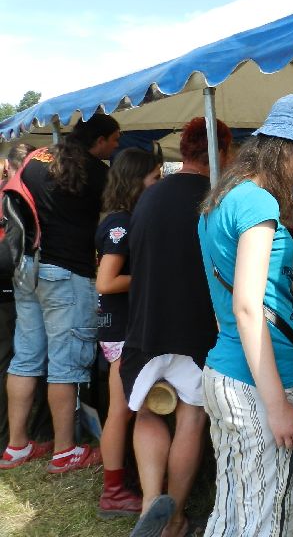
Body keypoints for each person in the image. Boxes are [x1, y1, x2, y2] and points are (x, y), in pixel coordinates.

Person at [198, 93, 293, 537]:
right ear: (286, 144)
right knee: (269, 519)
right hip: (260, 383)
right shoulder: (259, 203)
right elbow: (246, 306)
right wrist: (277, 406)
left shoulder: (222, 199)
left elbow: (232, 304)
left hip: (228, 372)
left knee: (233, 509)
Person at [121, 117, 232, 537]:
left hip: (146, 325)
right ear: (221, 151)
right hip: (196, 328)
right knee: (191, 418)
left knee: (146, 411)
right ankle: (175, 519)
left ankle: (152, 503)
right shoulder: (216, 200)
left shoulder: (149, 196)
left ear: (183, 151)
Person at [1, 114, 120, 473]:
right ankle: (65, 450)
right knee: (65, 364)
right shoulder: (98, 173)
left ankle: (16, 445)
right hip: (67, 273)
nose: (115, 146)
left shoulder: (37, 158)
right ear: (99, 141)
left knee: (25, 358)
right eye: (114, 140)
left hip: (26, 267)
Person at [94, 147, 162, 518]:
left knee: (123, 410)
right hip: (121, 330)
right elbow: (106, 281)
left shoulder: (121, 218)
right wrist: (150, 277)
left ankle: (120, 484)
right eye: (154, 179)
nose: (158, 185)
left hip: (118, 328)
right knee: (122, 410)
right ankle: (114, 491)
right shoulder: (120, 223)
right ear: (136, 181)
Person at [0, 143, 47, 450]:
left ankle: (21, 435)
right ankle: (15, 435)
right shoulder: (16, 196)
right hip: (11, 285)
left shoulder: (11, 194)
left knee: (19, 358)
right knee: (17, 358)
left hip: (14, 284)